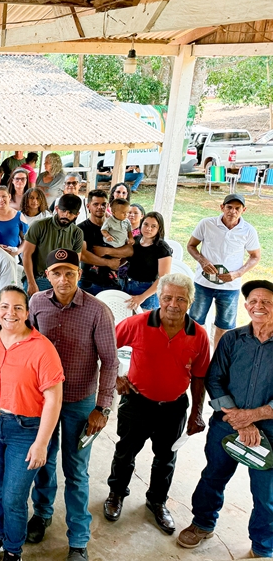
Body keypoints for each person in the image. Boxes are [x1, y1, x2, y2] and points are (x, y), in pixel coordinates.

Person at [26, 249, 118, 561]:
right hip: (43, 401)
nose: (63, 279)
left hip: (80, 403)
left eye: (69, 272)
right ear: (47, 276)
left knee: (76, 471)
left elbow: (110, 361)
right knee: (43, 460)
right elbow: (28, 345)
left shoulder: (97, 311)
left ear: (79, 274)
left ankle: (78, 539)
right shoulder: (37, 303)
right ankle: (42, 514)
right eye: (56, 273)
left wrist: (102, 407)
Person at [104, 273, 210, 536]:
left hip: (174, 408)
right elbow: (105, 348)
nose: (173, 304)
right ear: (159, 298)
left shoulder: (199, 334)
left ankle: (157, 501)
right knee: (125, 452)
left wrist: (196, 413)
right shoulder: (137, 323)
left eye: (181, 299)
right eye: (167, 298)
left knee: (166, 458)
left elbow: (199, 377)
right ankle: (116, 493)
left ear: (190, 302)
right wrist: (116, 377)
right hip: (137, 402)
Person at [177, 279, 273, 558]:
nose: (258, 306)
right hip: (227, 424)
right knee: (213, 476)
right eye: (253, 301)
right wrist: (239, 419)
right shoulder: (232, 338)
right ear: (246, 306)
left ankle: (263, 545)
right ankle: (202, 524)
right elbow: (215, 379)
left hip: (269, 430)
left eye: (266, 302)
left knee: (266, 494)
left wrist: (253, 416)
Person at [0, 286, 64, 561]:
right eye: (4, 306)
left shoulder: (42, 348)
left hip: (25, 430)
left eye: (17, 308)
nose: (10, 313)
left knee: (13, 496)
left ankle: (13, 550)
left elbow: (53, 399)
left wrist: (41, 443)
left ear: (27, 313)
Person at [188, 193, 262, 348]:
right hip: (203, 283)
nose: (232, 211)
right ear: (222, 207)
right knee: (195, 323)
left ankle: (217, 358)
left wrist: (238, 273)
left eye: (237, 208)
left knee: (224, 327)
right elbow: (191, 245)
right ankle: (194, 355)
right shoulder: (206, 224)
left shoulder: (248, 230)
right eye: (229, 207)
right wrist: (202, 260)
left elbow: (255, 256)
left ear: (243, 210)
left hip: (230, 287)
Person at [20, 194, 83, 294]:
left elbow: (75, 262)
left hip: (63, 280)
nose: (66, 215)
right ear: (57, 209)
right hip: (38, 278)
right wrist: (31, 282)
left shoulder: (77, 233)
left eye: (70, 213)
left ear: (77, 215)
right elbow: (26, 255)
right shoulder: (39, 226)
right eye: (63, 211)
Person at [78, 189, 132, 296]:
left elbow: (129, 250)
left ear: (108, 206)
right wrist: (108, 262)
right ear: (88, 206)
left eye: (103, 204)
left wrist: (107, 251)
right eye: (96, 204)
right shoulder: (81, 228)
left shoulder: (118, 224)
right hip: (88, 283)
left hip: (112, 281)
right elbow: (83, 255)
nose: (100, 207)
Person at [123, 211, 173, 311]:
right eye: (145, 224)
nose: (148, 228)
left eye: (153, 226)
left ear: (159, 229)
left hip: (148, 291)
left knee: (145, 320)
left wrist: (142, 297)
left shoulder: (162, 248)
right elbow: (126, 260)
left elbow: (163, 279)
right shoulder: (135, 240)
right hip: (128, 285)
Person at [0, 186, 27, 257]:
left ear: (9, 197)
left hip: (12, 258)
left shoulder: (19, 216)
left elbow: (27, 240)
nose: (1, 200)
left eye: (4, 196)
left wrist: (17, 251)